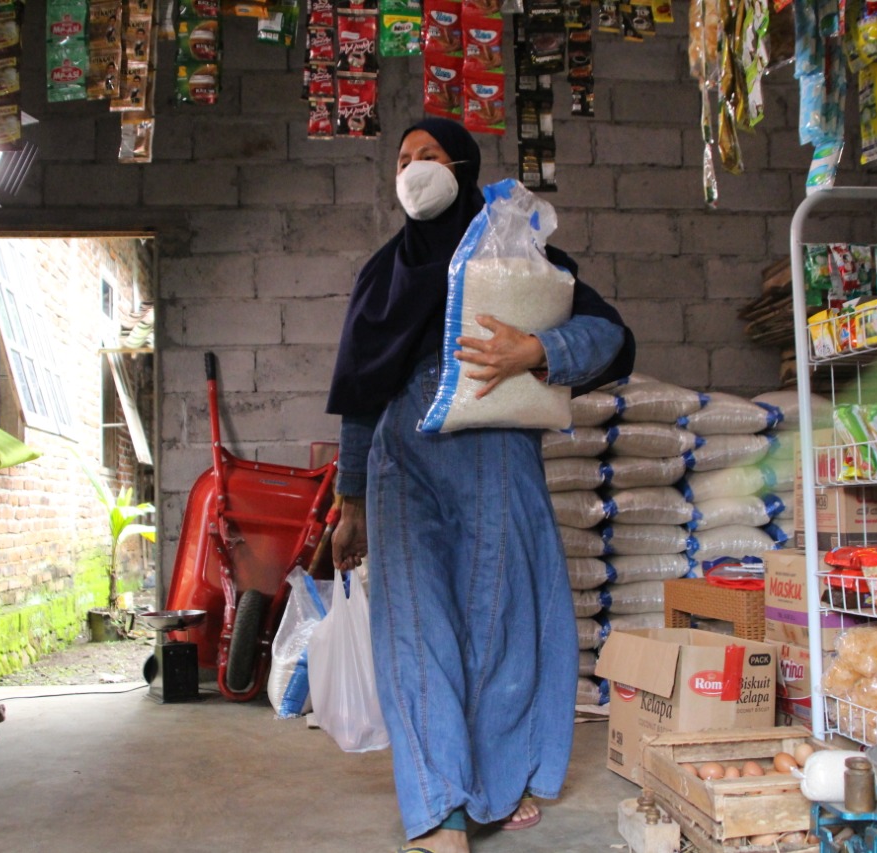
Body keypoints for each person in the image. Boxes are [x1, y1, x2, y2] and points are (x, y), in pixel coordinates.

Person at [326, 117, 634, 853]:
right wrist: (351, 496)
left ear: (462, 164)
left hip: (492, 445)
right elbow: (361, 393)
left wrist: (539, 349)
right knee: (411, 624)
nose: (413, 170)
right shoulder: (383, 275)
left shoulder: (518, 254)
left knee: (498, 617)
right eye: (402, 159)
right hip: (402, 459)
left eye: (428, 156)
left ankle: (497, 780)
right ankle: (439, 810)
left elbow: (610, 335)